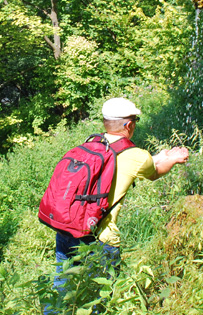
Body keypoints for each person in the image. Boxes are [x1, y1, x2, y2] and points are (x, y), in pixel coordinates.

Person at [53, 97, 190, 270]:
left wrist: (162, 155)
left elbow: (124, 165)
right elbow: (155, 172)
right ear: (128, 125)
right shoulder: (136, 155)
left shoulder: (93, 143)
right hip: (100, 239)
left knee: (64, 288)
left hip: (68, 228)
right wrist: (174, 159)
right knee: (102, 293)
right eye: (135, 120)